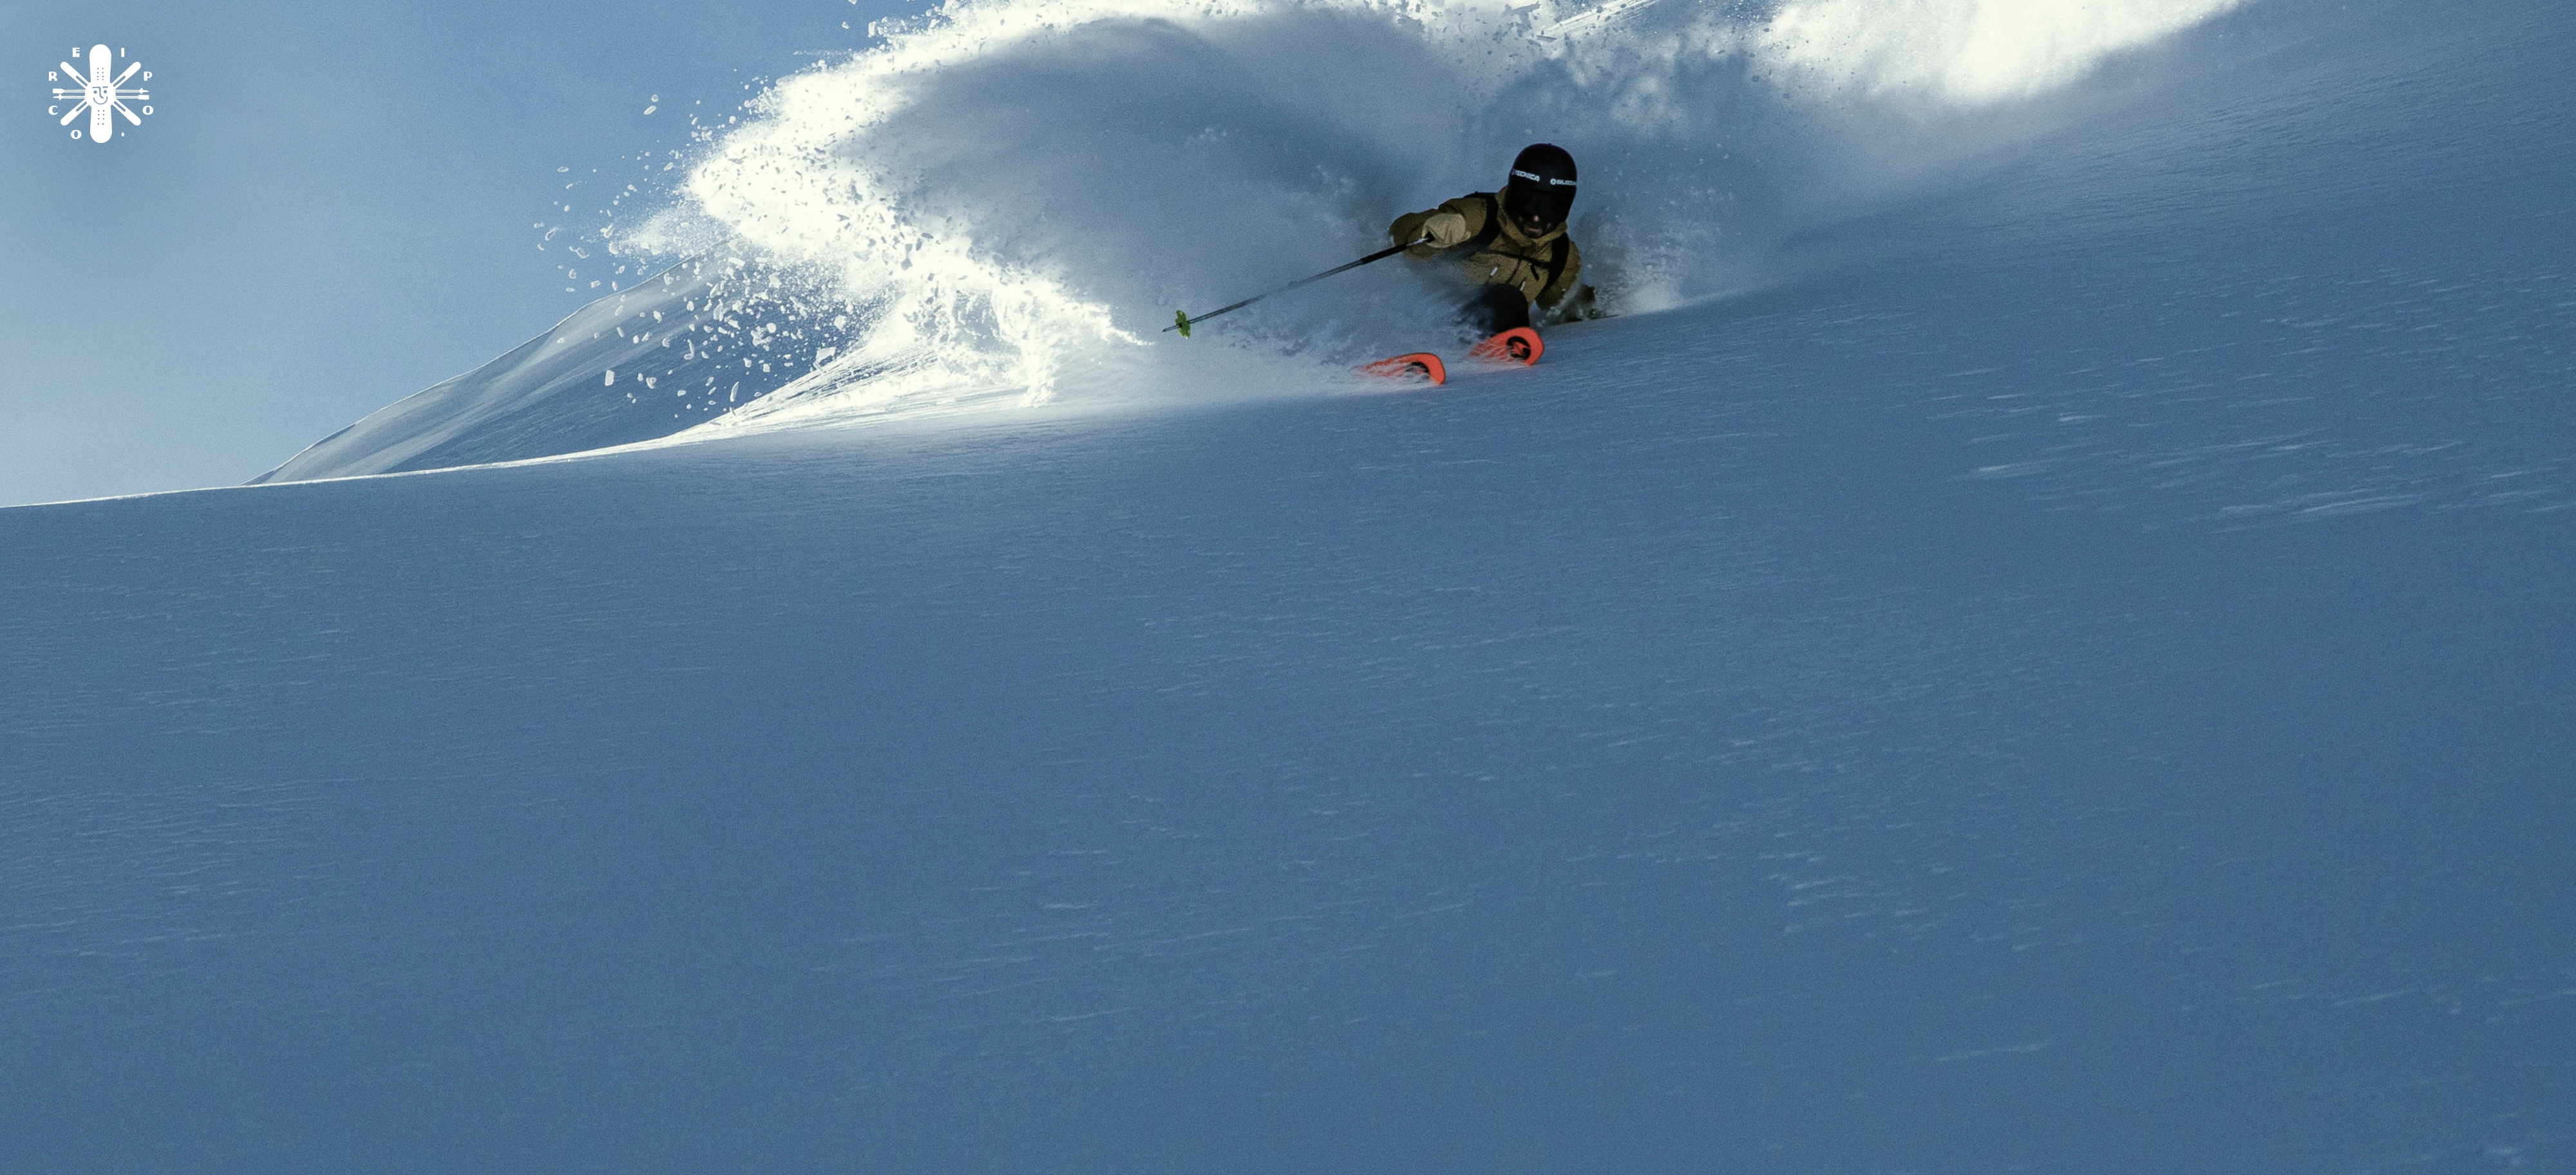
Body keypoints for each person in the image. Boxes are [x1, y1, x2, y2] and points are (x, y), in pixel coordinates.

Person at [1388, 144, 1584, 337]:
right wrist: (1427, 230)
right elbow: (1397, 236)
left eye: (1551, 209)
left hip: (1494, 339)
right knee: (1507, 299)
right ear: (1513, 195)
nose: (1536, 218)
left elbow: (1567, 306)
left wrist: (1605, 305)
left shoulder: (1560, 253)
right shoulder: (1479, 218)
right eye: (1527, 202)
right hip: (1432, 322)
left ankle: (1497, 347)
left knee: (1509, 301)